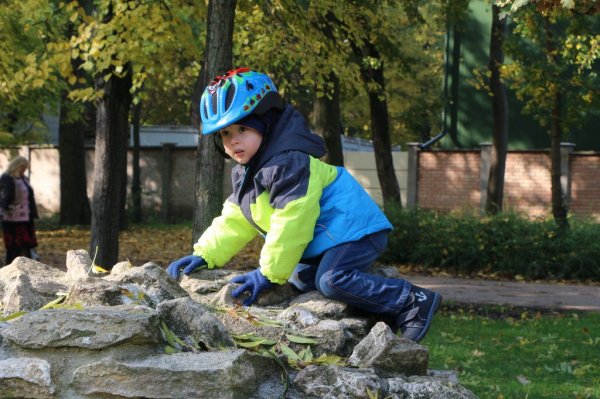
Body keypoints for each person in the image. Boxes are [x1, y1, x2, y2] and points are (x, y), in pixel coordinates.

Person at [167, 68, 442, 343]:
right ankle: (381, 311)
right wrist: (205, 253)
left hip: (355, 231)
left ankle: (411, 301)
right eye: (225, 134)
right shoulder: (247, 172)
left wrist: (269, 274)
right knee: (301, 279)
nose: (233, 140)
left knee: (332, 280)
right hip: (326, 240)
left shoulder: (288, 163)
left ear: (267, 124)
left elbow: (293, 220)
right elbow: (236, 217)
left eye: (242, 128)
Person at [0, 156, 39, 265]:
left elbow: (29, 197)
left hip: (25, 218)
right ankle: (9, 269)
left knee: (26, 244)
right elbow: (3, 197)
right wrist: (4, 208)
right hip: (10, 219)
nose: (24, 170)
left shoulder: (24, 178)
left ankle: (25, 269)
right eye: (23, 167)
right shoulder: (6, 178)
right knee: (13, 246)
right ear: (17, 166)